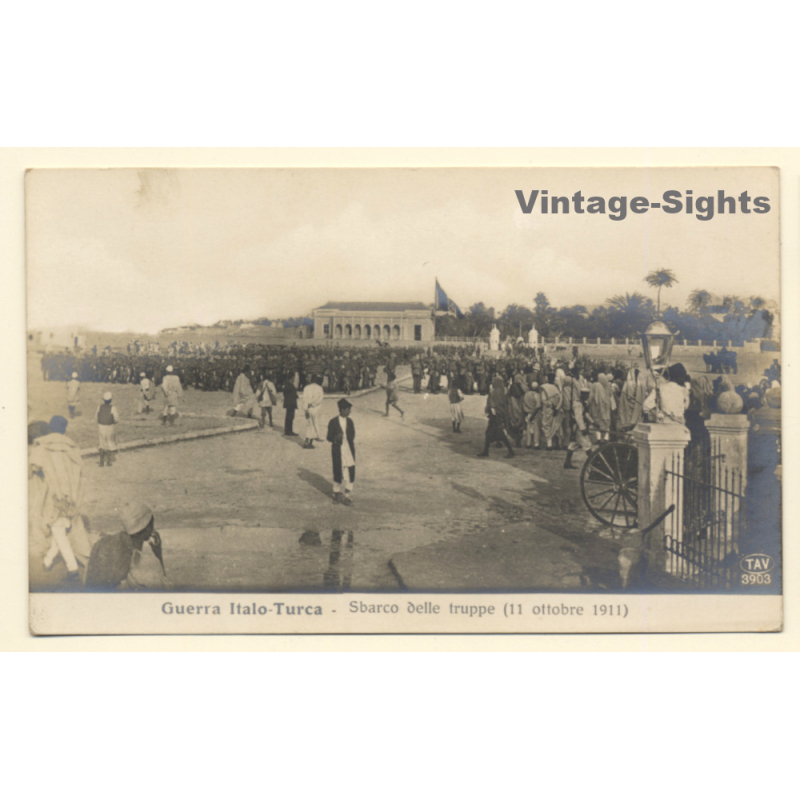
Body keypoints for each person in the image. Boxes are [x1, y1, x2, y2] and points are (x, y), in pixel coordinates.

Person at [29, 416, 91, 582]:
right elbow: (79, 471)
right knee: (60, 529)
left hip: (52, 495)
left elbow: (33, 468)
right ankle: (48, 560)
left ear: (50, 427)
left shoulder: (42, 445)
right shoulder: (71, 446)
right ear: (64, 429)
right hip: (71, 496)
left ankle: (72, 568)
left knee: (58, 531)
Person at [84, 501, 166, 590]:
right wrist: (158, 553)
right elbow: (162, 590)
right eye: (151, 524)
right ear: (147, 529)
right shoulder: (148, 563)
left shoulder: (106, 544)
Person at [327, 398, 356, 505]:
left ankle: (347, 496)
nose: (349, 412)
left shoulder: (350, 421)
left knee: (350, 471)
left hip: (348, 450)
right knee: (338, 471)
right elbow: (328, 437)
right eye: (348, 410)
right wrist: (336, 438)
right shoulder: (333, 422)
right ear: (342, 410)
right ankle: (337, 494)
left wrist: (346, 439)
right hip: (338, 450)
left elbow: (352, 435)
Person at [477, 376, 514, 458]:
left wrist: (491, 411)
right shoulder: (504, 391)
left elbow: (491, 403)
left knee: (494, 434)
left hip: (495, 415)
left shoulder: (494, 392)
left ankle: (510, 451)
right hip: (501, 414)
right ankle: (486, 451)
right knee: (495, 433)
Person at [97, 391, 120, 467]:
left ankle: (101, 461)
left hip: (101, 426)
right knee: (110, 442)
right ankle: (109, 461)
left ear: (103, 400)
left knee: (102, 443)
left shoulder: (99, 407)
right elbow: (116, 419)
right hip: (109, 426)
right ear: (110, 400)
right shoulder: (113, 408)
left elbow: (96, 417)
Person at [301, 375, 325, 449]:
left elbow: (304, 400)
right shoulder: (319, 388)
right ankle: (310, 442)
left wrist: (305, 409)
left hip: (308, 408)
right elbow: (320, 399)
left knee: (309, 425)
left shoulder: (306, 388)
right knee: (315, 425)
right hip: (316, 409)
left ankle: (306, 441)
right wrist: (313, 404)